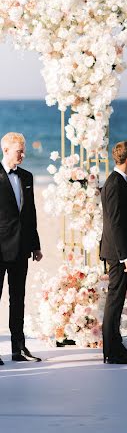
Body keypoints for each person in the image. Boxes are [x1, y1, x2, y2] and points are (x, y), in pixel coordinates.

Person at [0, 132, 42, 365]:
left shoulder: (27, 176)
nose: (23, 154)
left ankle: (19, 348)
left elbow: (30, 214)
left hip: (20, 249)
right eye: (19, 151)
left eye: (24, 150)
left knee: (18, 299)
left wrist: (35, 245)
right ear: (6, 150)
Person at [100, 140, 127, 365]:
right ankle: (111, 352)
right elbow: (115, 223)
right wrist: (125, 256)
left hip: (120, 251)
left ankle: (117, 348)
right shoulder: (115, 183)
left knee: (117, 301)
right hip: (117, 253)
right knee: (115, 301)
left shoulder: (121, 181)